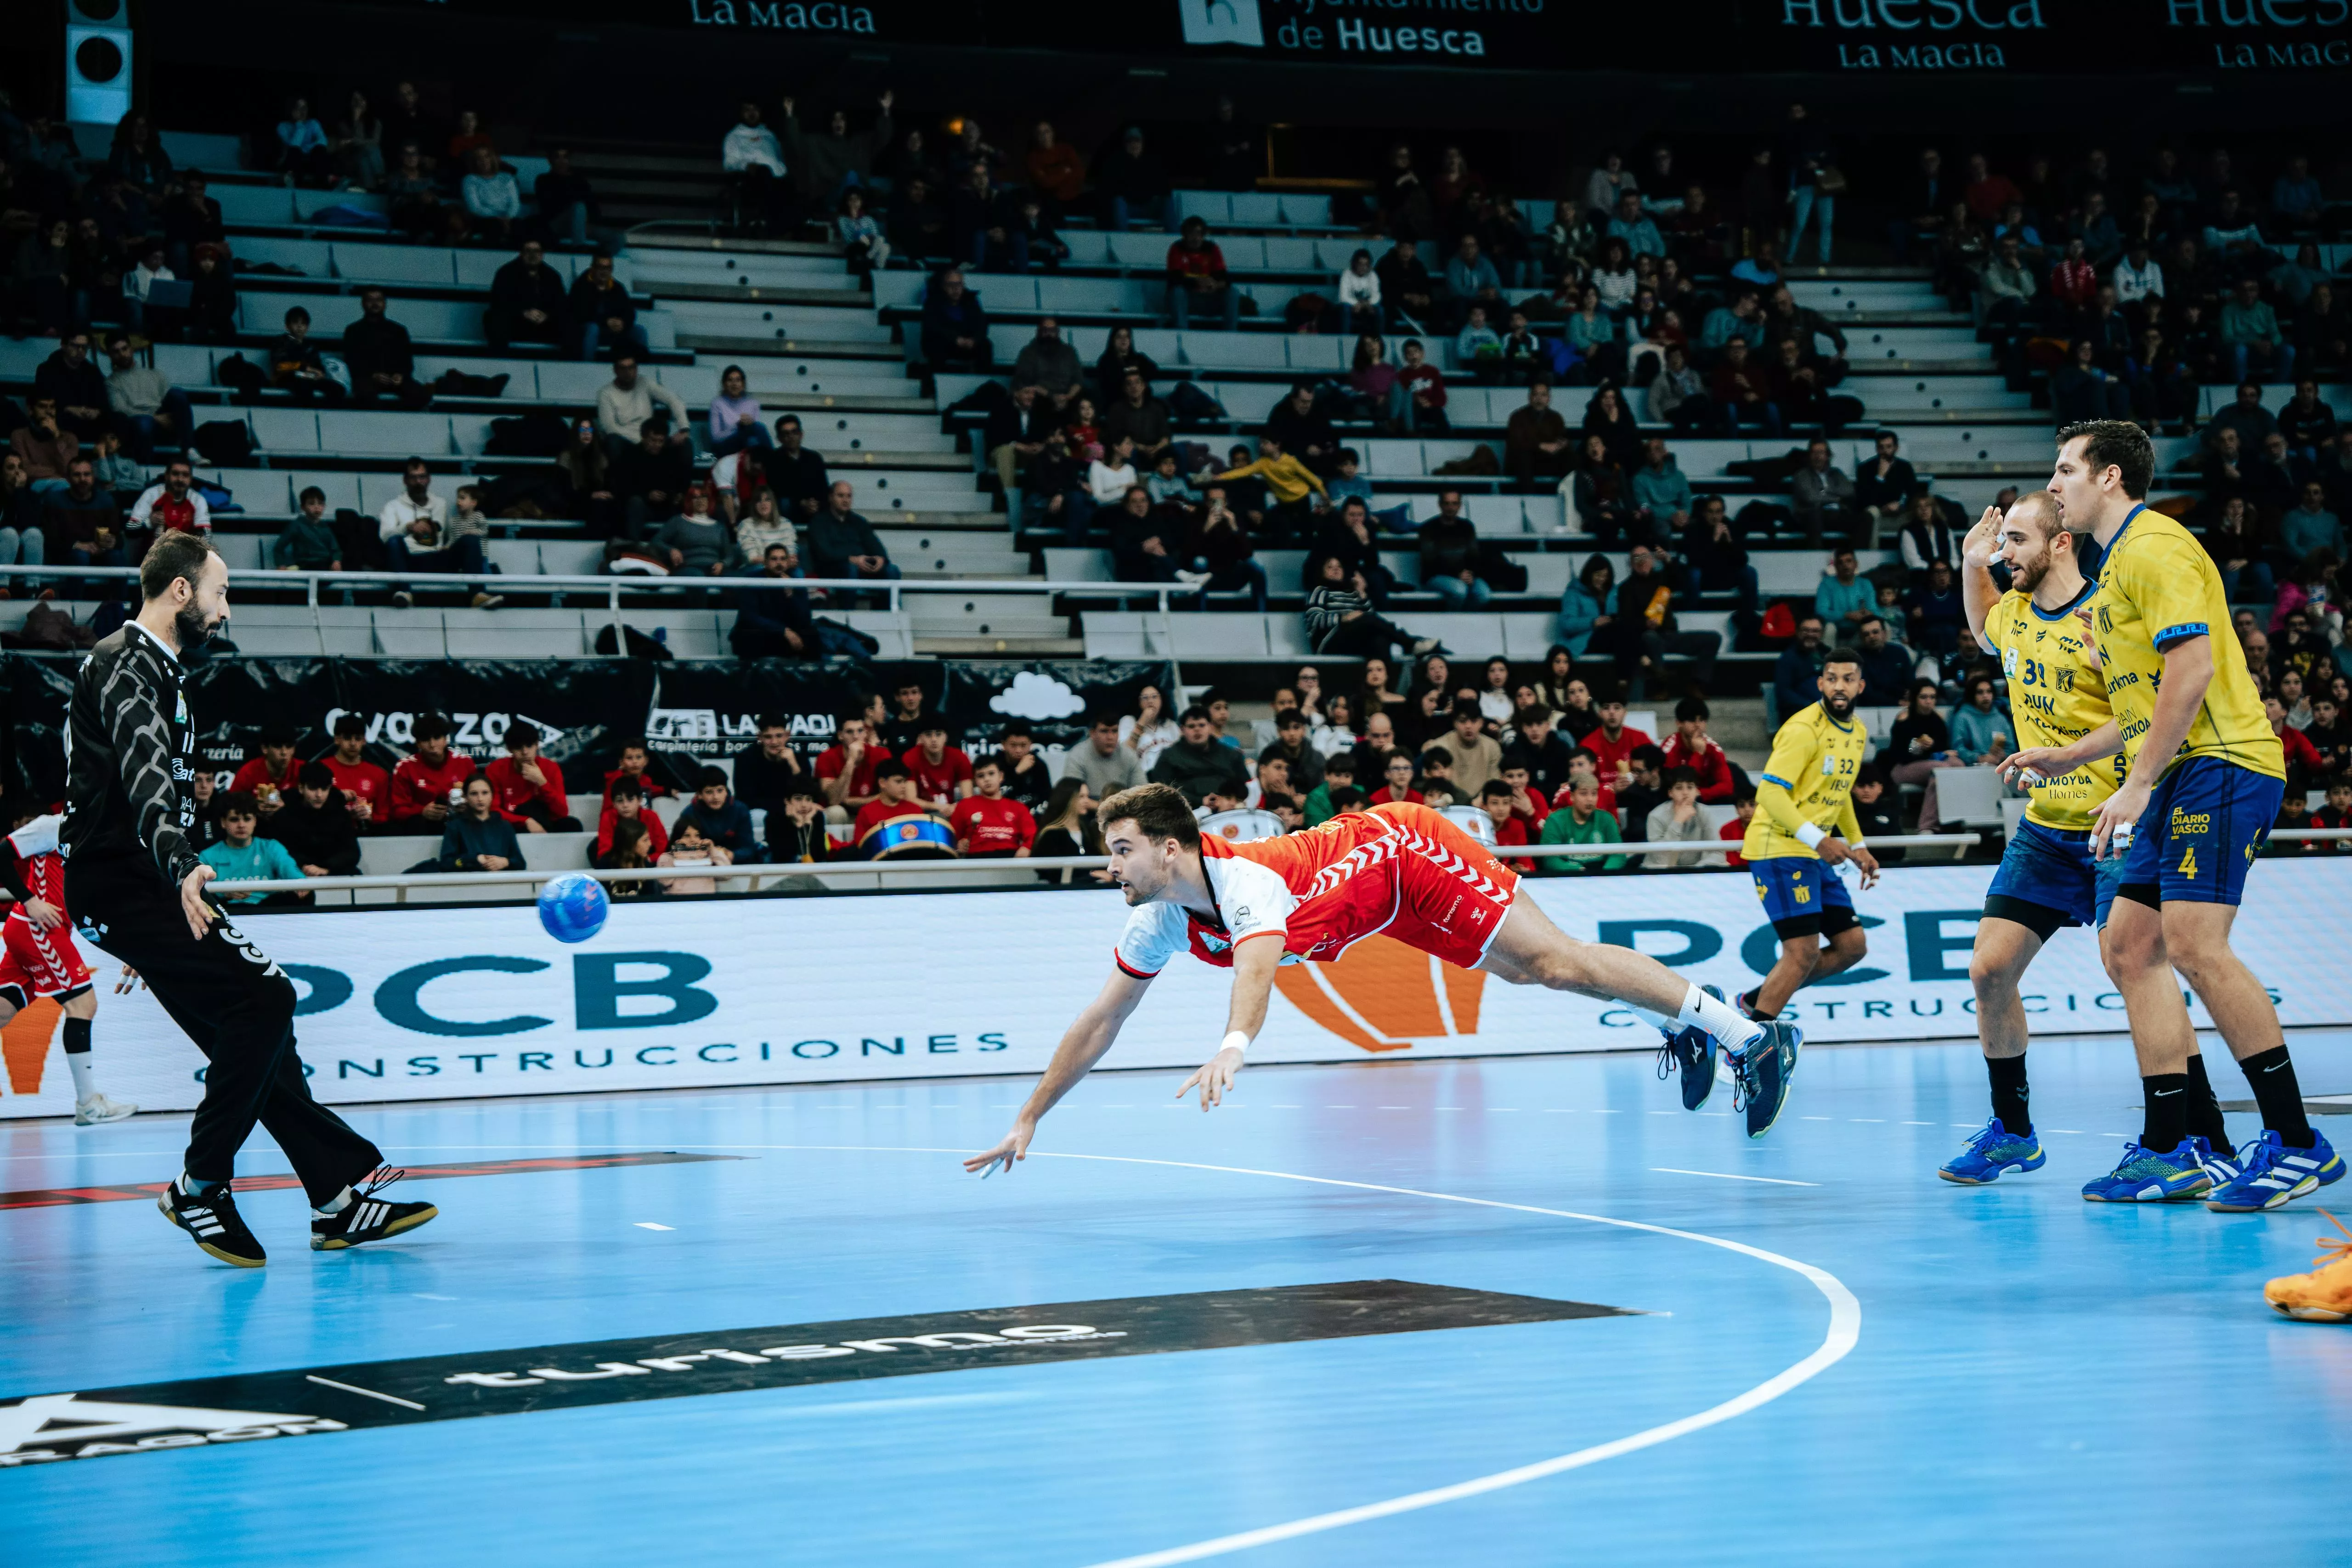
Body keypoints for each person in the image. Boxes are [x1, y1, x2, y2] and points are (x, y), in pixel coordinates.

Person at [964, 781, 1808, 1184]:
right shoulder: (1158, 917)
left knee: (1554, 960)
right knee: (1532, 975)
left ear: (1170, 849)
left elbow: (1256, 970)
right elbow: (1102, 1019)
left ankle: (1749, 1036)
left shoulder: (1245, 883)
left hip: (1408, 851)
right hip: (1380, 908)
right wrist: (1030, 1113)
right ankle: (1680, 1023)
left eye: (1121, 850)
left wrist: (1233, 1045)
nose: (1109, 866)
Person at [64, 534, 431, 1265]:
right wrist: (177, 870)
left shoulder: (159, 669)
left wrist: (157, 909)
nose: (225, 610)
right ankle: (200, 1185)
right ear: (181, 590)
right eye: (220, 592)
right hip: (129, 879)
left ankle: (335, 1201)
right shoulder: (127, 663)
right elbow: (144, 776)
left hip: (140, 885)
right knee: (267, 999)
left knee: (260, 1036)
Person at [2011, 421, 2340, 1209]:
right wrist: (2073, 755)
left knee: (2195, 945)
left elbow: (2192, 672)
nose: (2053, 484)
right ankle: (2176, 1146)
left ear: (2110, 477)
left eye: (2066, 470)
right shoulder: (2115, 565)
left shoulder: (2155, 547)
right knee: (2130, 947)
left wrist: (2137, 783)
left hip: (2221, 763)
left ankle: (2297, 1141)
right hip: (2175, 775)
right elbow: (2144, 700)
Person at [1935, 492, 2137, 1181]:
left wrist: (2073, 754)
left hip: (2117, 822)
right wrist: (1971, 564)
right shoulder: (2016, 612)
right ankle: (2013, 1133)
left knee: (2132, 972)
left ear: (2060, 543)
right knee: (1988, 970)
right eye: (2002, 543)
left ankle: (2190, 1132)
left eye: (2015, 541)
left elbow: (2148, 714)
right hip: (2046, 831)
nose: (2004, 554)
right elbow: (1985, 629)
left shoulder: (2106, 614)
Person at [1736, 645, 1882, 1020]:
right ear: (1820, 683)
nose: (1839, 686)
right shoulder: (1803, 729)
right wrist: (1819, 839)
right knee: (1802, 953)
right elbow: (1769, 792)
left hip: (1813, 851)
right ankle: (1752, 1039)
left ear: (1861, 686)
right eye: (1832, 678)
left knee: (1852, 946)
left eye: (1848, 679)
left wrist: (1858, 844)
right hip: (1778, 848)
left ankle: (1753, 1001)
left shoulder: (1858, 731)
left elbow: (1840, 791)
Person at [0, 807, 135, 1124]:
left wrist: (130, 948)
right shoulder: (54, 826)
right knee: (83, 1006)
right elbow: (2, 853)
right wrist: (30, 900)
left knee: (4, 1010)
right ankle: (88, 1105)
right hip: (37, 929)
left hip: (46, 931)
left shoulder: (102, 837)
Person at [379, 458, 497, 610]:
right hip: (411, 560)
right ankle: (404, 592)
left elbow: (450, 535)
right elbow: (385, 536)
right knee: (394, 541)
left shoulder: (441, 504)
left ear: (429, 479)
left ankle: (478, 594)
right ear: (405, 481)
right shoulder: (393, 506)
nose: (418, 482)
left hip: (439, 558)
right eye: (413, 478)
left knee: (470, 540)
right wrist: (408, 527)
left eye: (422, 477)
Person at [260, 761, 362, 878]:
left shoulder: (340, 813)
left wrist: (326, 869)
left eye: (324, 789)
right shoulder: (284, 813)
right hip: (293, 874)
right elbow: (279, 849)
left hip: (334, 874)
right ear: (301, 788)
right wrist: (303, 866)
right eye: (313, 789)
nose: (319, 795)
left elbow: (352, 853)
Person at [341, 288, 431, 410]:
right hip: (366, 379)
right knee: (364, 395)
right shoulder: (354, 331)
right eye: (370, 300)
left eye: (379, 300)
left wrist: (401, 375)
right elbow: (351, 360)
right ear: (363, 303)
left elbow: (407, 360)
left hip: (395, 379)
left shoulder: (399, 331)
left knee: (422, 395)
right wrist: (372, 375)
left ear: (385, 303)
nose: (375, 304)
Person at [485, 720, 580, 833]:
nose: (525, 752)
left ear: (537, 745)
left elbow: (562, 812)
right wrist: (525, 821)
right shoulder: (496, 769)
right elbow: (492, 810)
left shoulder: (551, 768)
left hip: (547, 823)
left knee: (572, 825)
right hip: (514, 823)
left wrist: (542, 782)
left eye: (529, 746)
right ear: (510, 749)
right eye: (518, 748)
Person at [486, 239, 569, 353]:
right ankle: (499, 359)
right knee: (496, 319)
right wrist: (524, 313)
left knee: (569, 322)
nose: (533, 255)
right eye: (528, 251)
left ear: (542, 254)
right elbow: (499, 302)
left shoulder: (552, 276)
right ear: (521, 253)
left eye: (537, 251)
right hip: (516, 324)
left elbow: (561, 303)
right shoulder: (506, 273)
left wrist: (547, 315)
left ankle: (570, 361)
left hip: (544, 324)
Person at [952, 756, 1037, 858]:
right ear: (975, 781)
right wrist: (958, 845)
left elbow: (1033, 835)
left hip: (1010, 858)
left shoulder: (1019, 808)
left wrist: (1027, 848)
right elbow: (952, 836)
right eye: (981, 776)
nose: (987, 779)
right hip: (976, 859)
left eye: (991, 774)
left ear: (1001, 776)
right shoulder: (964, 806)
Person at [441, 774, 527, 874]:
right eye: (474, 794)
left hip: (500, 881)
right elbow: (446, 863)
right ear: (466, 797)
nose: (480, 799)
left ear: (492, 796)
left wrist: (506, 862)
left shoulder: (505, 827)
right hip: (468, 882)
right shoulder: (456, 826)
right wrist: (474, 859)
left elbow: (520, 863)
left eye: (485, 793)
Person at [571, 253, 646, 363]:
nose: (604, 272)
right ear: (593, 268)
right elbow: (580, 313)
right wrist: (605, 322)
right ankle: (587, 366)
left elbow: (630, 312)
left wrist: (623, 322)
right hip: (587, 330)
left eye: (608, 268)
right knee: (593, 329)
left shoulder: (618, 288)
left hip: (613, 332)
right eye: (601, 267)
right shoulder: (581, 286)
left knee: (639, 332)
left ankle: (640, 368)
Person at [674, 767, 761, 861]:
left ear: (726, 791)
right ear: (699, 795)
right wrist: (710, 853)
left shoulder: (740, 810)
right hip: (702, 862)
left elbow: (748, 848)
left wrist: (731, 855)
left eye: (720, 791)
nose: (716, 797)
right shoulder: (689, 813)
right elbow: (680, 847)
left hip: (736, 862)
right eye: (709, 792)